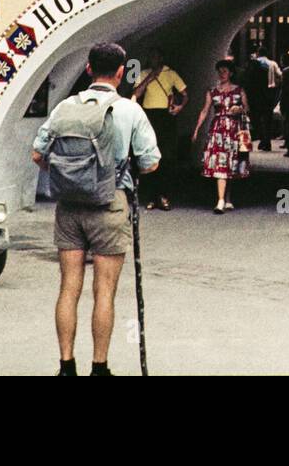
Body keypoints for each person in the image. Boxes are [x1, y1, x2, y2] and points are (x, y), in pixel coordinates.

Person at [31, 42, 159, 377]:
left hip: (69, 206)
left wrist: (68, 172)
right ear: (121, 72)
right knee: (104, 290)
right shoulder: (130, 111)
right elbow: (151, 163)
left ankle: (65, 365)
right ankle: (99, 367)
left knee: (68, 287)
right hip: (110, 202)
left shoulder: (64, 107)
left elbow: (37, 154)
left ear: (88, 69)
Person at [131, 48, 187, 212]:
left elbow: (185, 94)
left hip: (165, 117)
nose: (153, 60)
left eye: (156, 57)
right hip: (149, 116)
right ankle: (151, 196)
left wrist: (179, 107)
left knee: (166, 157)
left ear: (161, 58)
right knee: (148, 156)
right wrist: (150, 78)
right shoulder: (142, 73)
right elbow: (136, 93)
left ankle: (163, 195)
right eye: (151, 57)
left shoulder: (171, 74)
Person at [194, 58, 251, 213]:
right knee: (221, 164)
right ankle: (220, 200)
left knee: (230, 164)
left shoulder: (239, 90)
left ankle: (227, 199)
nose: (222, 74)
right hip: (218, 129)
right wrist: (197, 129)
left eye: (225, 71)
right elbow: (205, 110)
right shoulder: (212, 91)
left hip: (234, 130)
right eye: (219, 71)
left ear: (231, 73)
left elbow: (247, 108)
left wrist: (238, 110)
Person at [242, 46, 273, 151]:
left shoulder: (248, 74)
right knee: (266, 120)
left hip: (253, 100)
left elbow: (246, 86)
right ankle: (266, 140)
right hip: (265, 98)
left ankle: (262, 138)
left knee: (255, 120)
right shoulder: (264, 71)